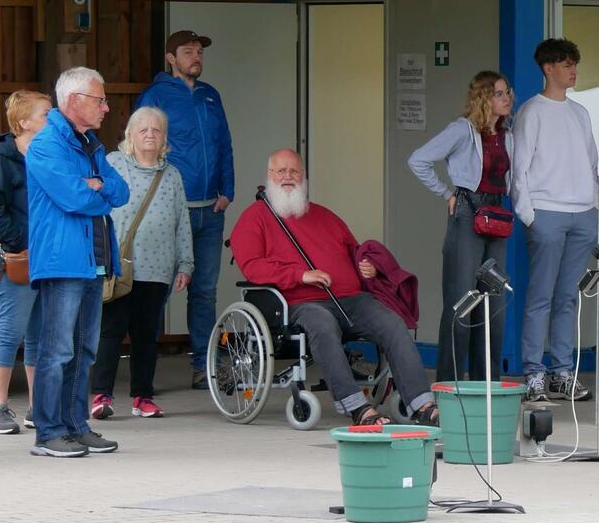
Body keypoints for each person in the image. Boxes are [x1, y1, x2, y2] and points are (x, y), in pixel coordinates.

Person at [231, 150, 438, 426]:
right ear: (269, 176)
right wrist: (300, 275)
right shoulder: (254, 217)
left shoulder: (324, 216)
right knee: (322, 323)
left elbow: (354, 252)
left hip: (349, 298)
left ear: (304, 176)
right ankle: (359, 409)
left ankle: (423, 405)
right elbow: (252, 266)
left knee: (392, 322)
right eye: (281, 171)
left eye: (294, 171)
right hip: (299, 303)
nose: (288, 177)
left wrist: (368, 267)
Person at [25, 66, 130, 459]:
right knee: (56, 351)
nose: (106, 107)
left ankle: (76, 426)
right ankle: (48, 433)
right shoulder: (47, 145)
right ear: (73, 101)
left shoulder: (90, 145)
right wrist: (94, 189)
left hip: (92, 259)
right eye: (99, 99)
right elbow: (73, 198)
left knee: (84, 349)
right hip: (62, 261)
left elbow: (120, 191)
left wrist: (97, 187)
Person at [136, 30, 234, 390]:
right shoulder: (156, 96)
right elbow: (139, 150)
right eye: (188, 51)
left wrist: (228, 190)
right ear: (170, 59)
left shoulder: (210, 95)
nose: (197, 56)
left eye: (199, 52)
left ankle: (203, 366)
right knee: (156, 290)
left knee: (205, 291)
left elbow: (224, 144)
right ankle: (143, 372)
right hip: (170, 211)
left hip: (211, 209)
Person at [408, 70, 515, 381]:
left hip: (496, 215)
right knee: (463, 300)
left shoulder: (507, 134)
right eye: (498, 93)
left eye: (507, 92)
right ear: (483, 98)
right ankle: (450, 382)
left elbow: (515, 178)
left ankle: (487, 384)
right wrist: (446, 193)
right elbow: (418, 160)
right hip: (469, 212)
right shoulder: (463, 130)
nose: (506, 98)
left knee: (493, 301)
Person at [509, 39, 599, 402]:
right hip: (546, 211)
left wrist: (592, 202)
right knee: (541, 295)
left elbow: (592, 162)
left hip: (582, 212)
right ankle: (534, 372)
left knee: (568, 297)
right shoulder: (532, 112)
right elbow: (519, 170)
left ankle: (563, 371)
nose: (573, 70)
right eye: (565, 64)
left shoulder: (580, 112)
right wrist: (529, 214)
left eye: (574, 63)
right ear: (548, 68)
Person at [90, 107, 193, 420]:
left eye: (156, 130)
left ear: (164, 138)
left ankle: (142, 397)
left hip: (158, 268)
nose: (150, 134)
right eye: (143, 129)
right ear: (130, 135)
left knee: (147, 336)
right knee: (110, 331)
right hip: (119, 266)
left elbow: (182, 221)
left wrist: (185, 264)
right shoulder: (112, 163)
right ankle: (101, 395)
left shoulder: (172, 174)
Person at [0, 90, 51, 435]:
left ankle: (37, 408)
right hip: (13, 261)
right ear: (23, 122)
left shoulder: (49, 155)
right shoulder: (1, 159)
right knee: (11, 329)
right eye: (45, 114)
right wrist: (22, 243)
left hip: (45, 258)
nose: (53, 120)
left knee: (38, 334)